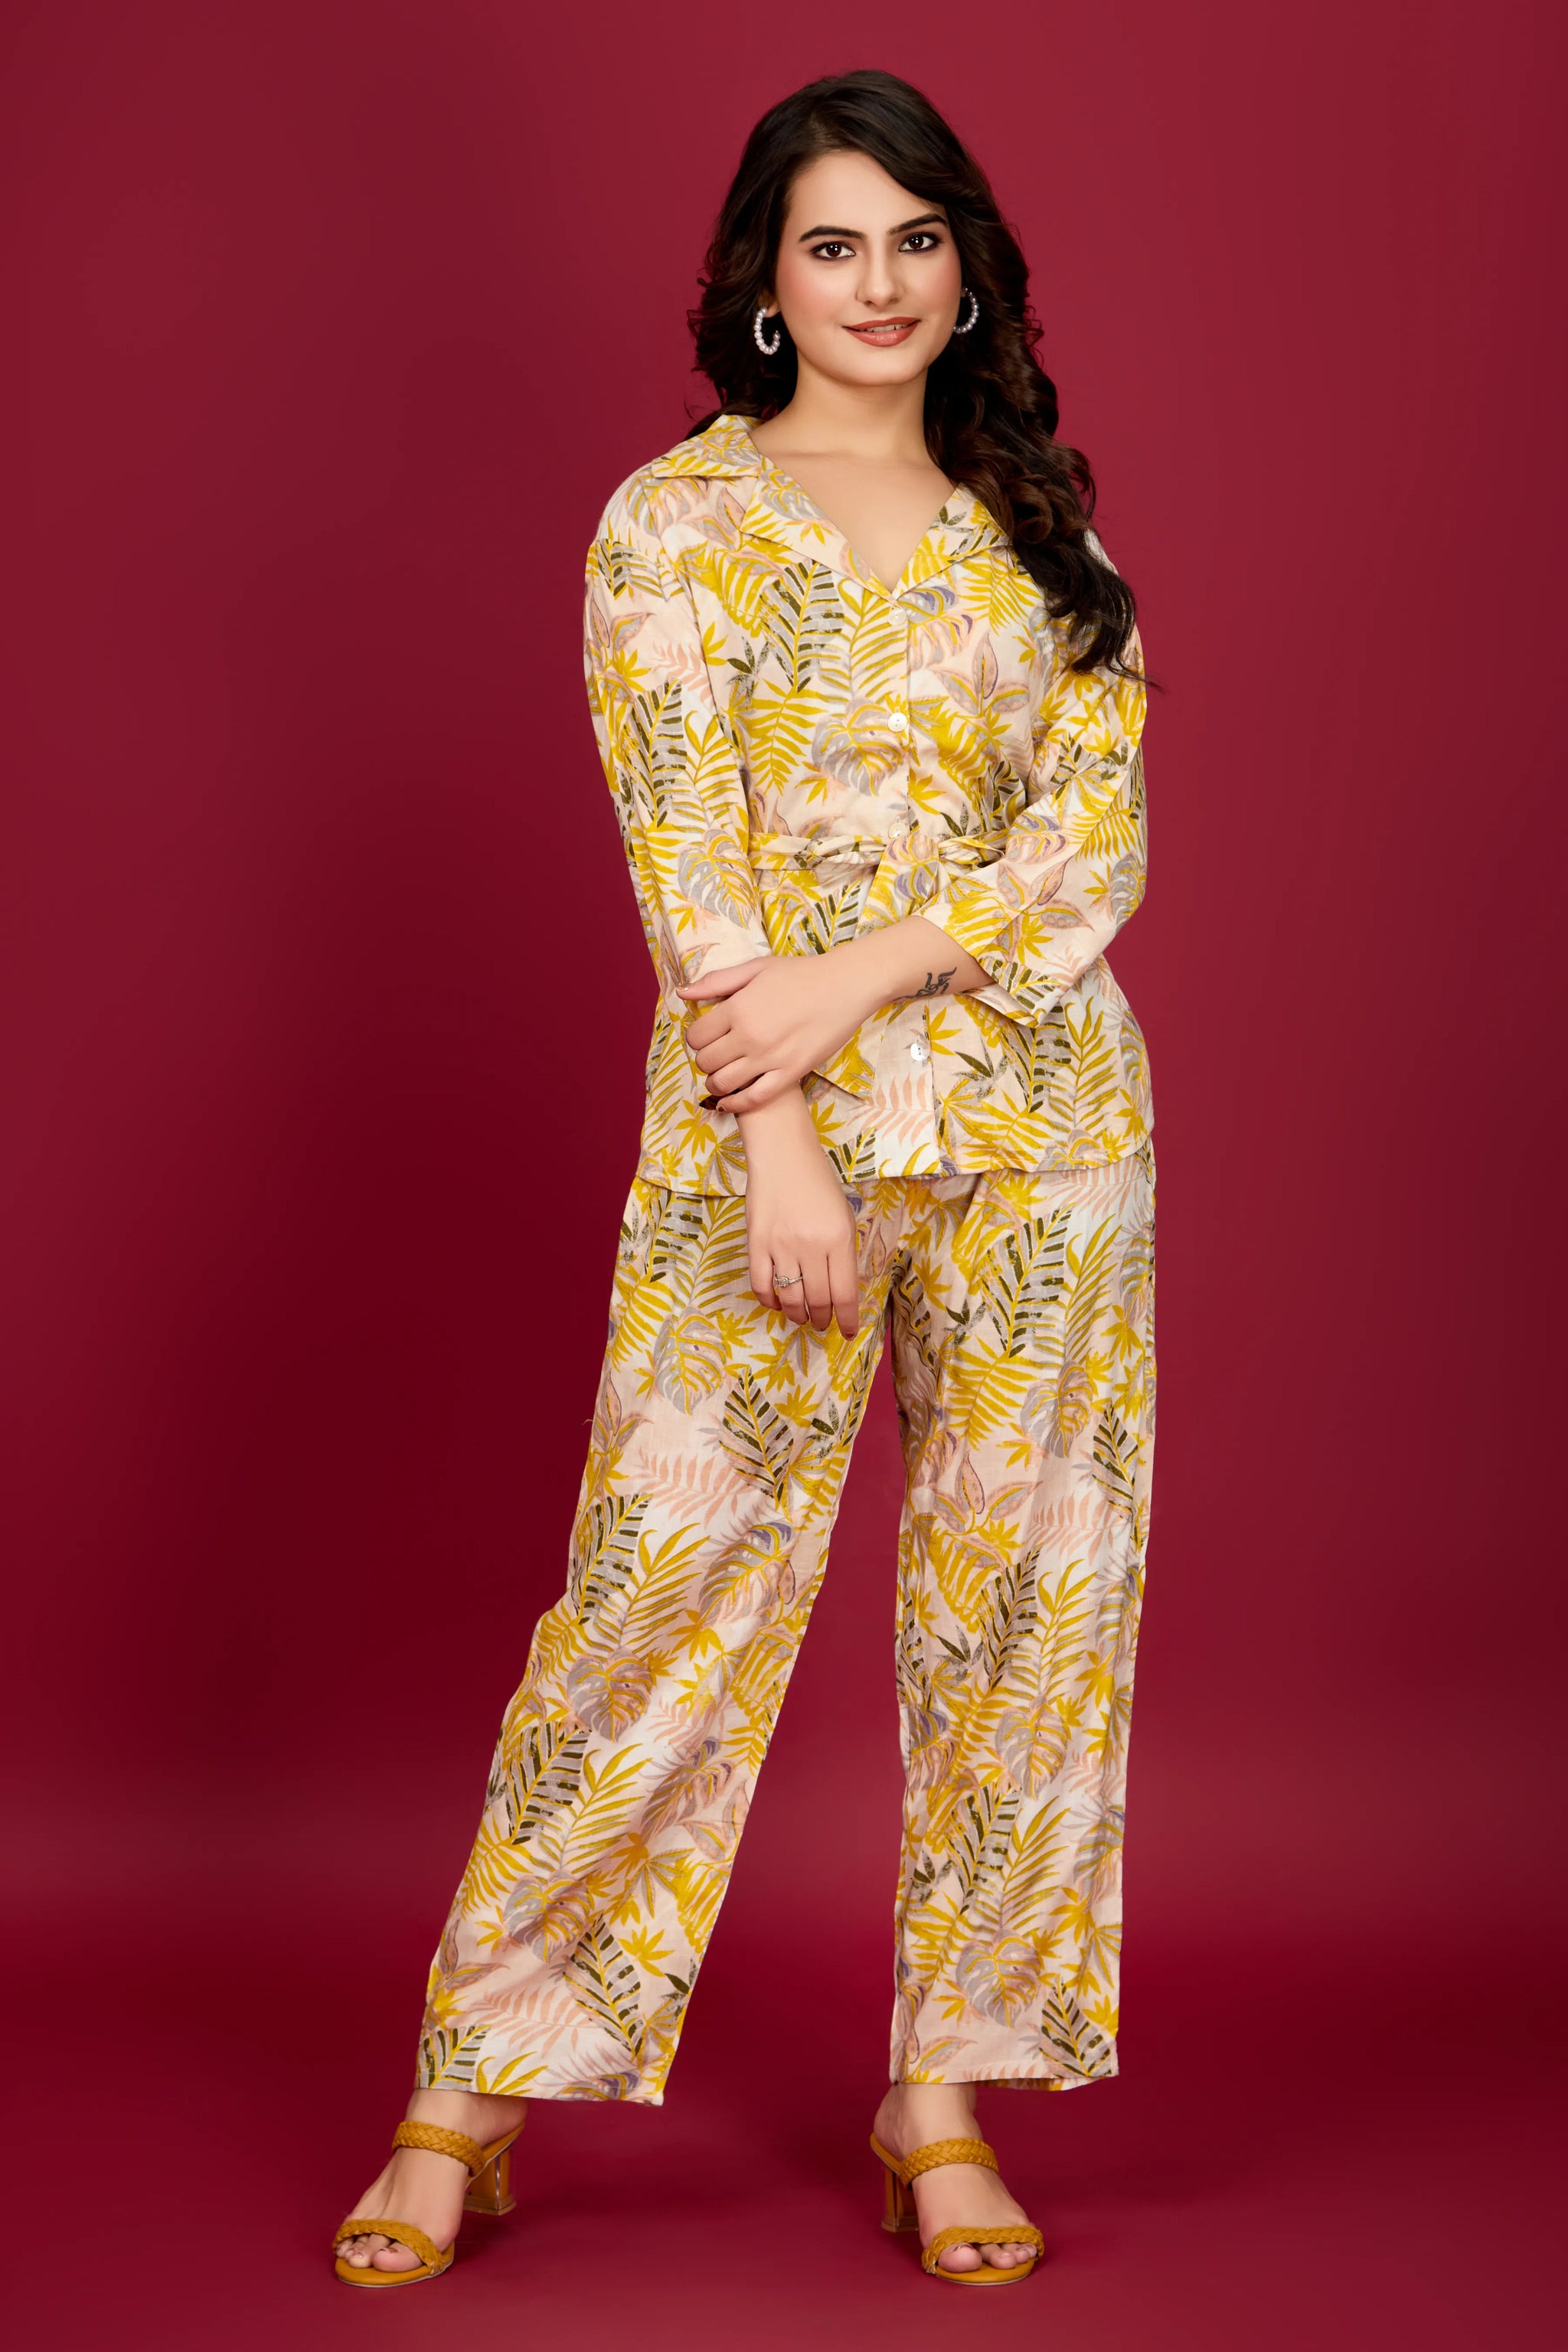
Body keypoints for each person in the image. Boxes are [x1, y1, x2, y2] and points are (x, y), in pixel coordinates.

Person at [333, 65, 1155, 2291]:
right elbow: (685, 855)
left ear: (966, 267)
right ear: (768, 284)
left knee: (1031, 1599)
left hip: (1049, 1139)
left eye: (917, 240)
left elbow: (1094, 847)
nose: (882, 283)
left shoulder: (1045, 532)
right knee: (665, 1581)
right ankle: (468, 2084)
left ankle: (941, 2094)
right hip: (762, 1136)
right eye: (834, 244)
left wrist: (868, 971)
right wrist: (779, 1130)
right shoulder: (673, 523)